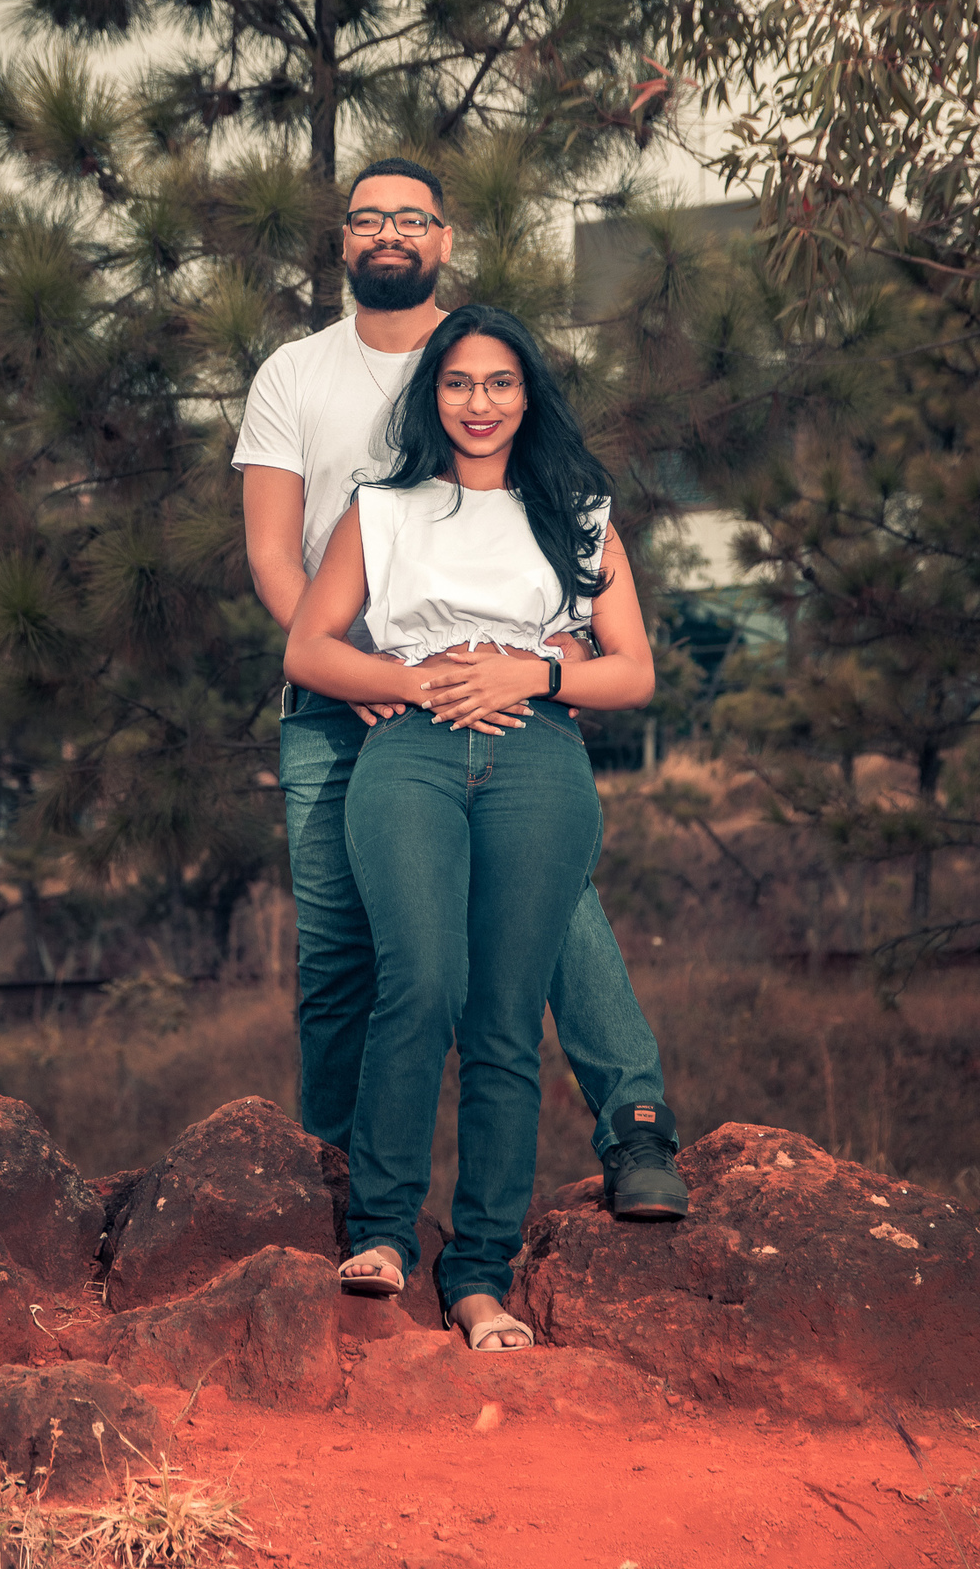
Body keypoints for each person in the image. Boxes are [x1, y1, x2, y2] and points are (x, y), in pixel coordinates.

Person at [233, 157, 687, 1225]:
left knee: (553, 907)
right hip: (343, 701)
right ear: (342, 241)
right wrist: (370, 678)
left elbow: (559, 550)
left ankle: (635, 1121)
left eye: (413, 218)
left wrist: (532, 674)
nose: (390, 234)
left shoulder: (483, 358)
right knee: (351, 956)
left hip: (500, 708)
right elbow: (273, 558)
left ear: (445, 238)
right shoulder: (294, 377)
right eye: (368, 219)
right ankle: (338, 1185)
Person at [284, 305, 656, 1349]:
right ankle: (384, 1233)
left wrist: (532, 670)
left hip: (539, 754)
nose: (479, 403)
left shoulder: (578, 511)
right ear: (431, 397)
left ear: (527, 393)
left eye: (499, 383)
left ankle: (481, 1275)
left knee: (504, 1015)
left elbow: (631, 670)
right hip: (411, 750)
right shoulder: (386, 508)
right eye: (458, 384)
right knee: (422, 981)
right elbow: (310, 648)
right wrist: (414, 679)